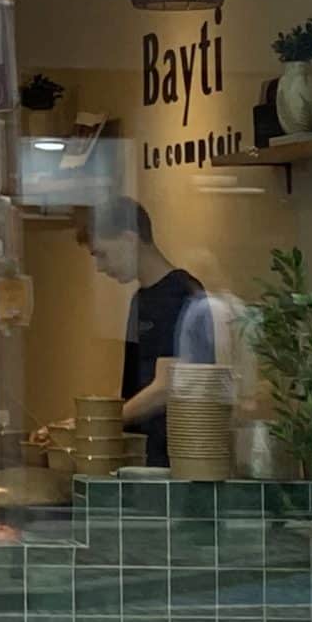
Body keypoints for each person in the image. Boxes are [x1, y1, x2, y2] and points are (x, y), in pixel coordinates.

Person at [76, 196, 215, 469]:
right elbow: (137, 386)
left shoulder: (181, 294)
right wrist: (91, 418)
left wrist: (99, 423)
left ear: (130, 239)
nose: (100, 267)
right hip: (142, 454)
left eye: (102, 254)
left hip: (174, 460)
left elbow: (167, 386)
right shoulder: (140, 300)